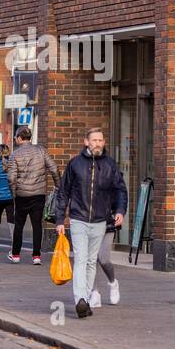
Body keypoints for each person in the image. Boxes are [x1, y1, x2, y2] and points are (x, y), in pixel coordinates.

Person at [54, 128, 127, 319]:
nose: (97, 143)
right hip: (78, 218)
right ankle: (80, 299)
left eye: (100, 140)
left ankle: (86, 297)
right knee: (80, 258)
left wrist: (120, 210)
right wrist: (60, 219)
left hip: (100, 220)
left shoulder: (110, 165)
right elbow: (63, 192)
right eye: (94, 140)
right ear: (86, 142)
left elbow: (120, 190)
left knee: (91, 261)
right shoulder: (75, 164)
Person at [5, 126, 60, 265]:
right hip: (38, 194)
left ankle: (16, 254)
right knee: (37, 225)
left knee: (19, 225)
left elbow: (11, 178)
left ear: (19, 137)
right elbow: (54, 168)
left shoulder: (15, 155)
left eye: (15, 137)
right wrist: (59, 186)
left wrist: (13, 194)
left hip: (21, 195)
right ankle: (36, 256)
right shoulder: (41, 150)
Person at [89, 218, 121, 308]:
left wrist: (120, 211)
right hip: (89, 222)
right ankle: (95, 293)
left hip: (108, 223)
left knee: (103, 259)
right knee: (92, 258)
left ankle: (113, 282)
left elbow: (121, 203)